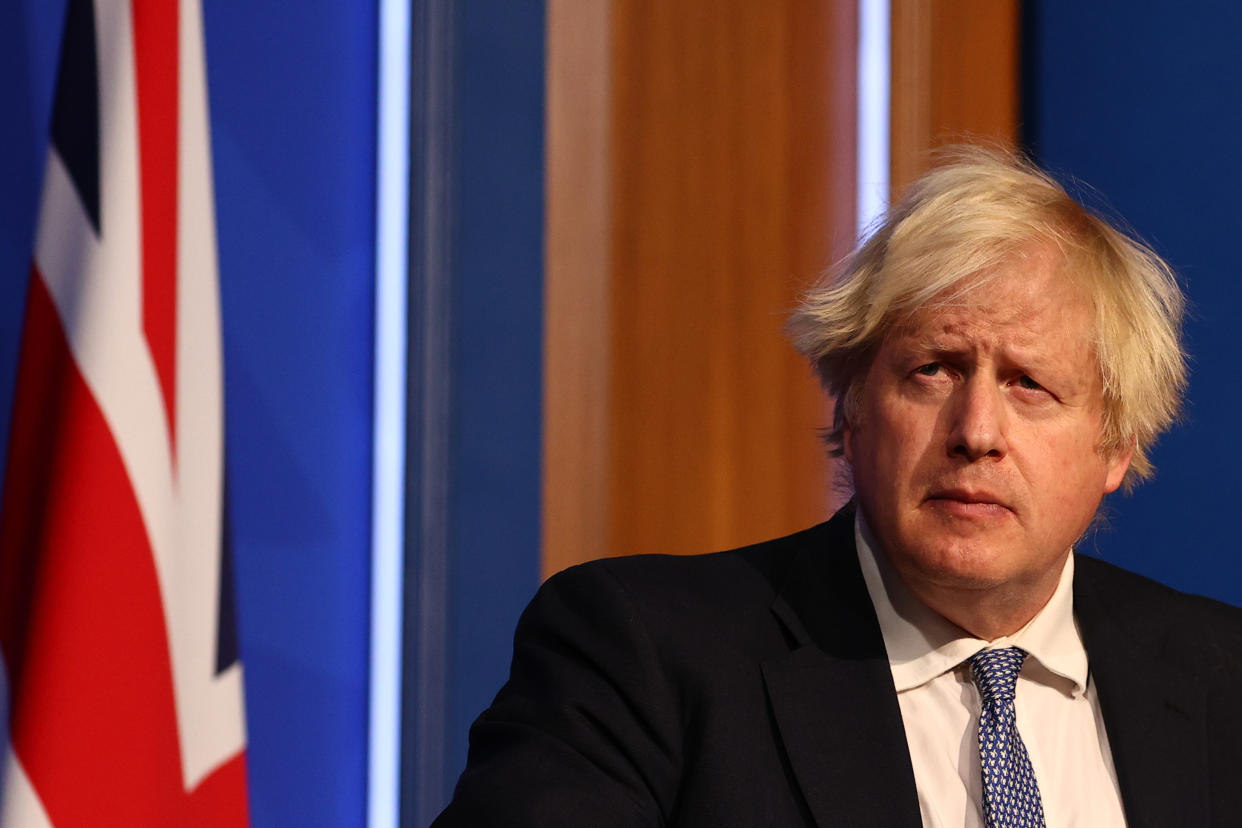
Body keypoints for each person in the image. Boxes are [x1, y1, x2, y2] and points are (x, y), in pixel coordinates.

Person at [433, 148, 1242, 827]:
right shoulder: (643, 653)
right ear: (851, 405)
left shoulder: (1222, 681)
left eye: (1030, 384)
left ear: (1117, 444)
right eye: (934, 370)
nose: (977, 432)